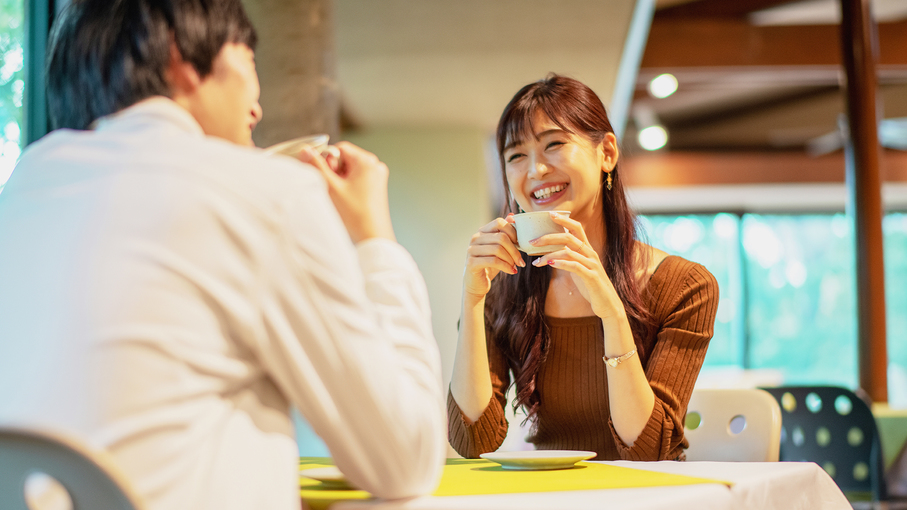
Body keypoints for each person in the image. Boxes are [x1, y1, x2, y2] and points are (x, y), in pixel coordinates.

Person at [0, 0, 445, 509]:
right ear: (179, 56)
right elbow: (405, 458)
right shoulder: (265, 192)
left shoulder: (20, 192)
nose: (257, 108)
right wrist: (375, 239)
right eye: (250, 63)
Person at [448, 74, 718, 461]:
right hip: (549, 495)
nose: (536, 171)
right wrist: (472, 299)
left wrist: (610, 310)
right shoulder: (503, 286)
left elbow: (648, 449)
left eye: (554, 144)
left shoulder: (685, 286)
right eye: (516, 156)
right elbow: (473, 441)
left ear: (606, 152)